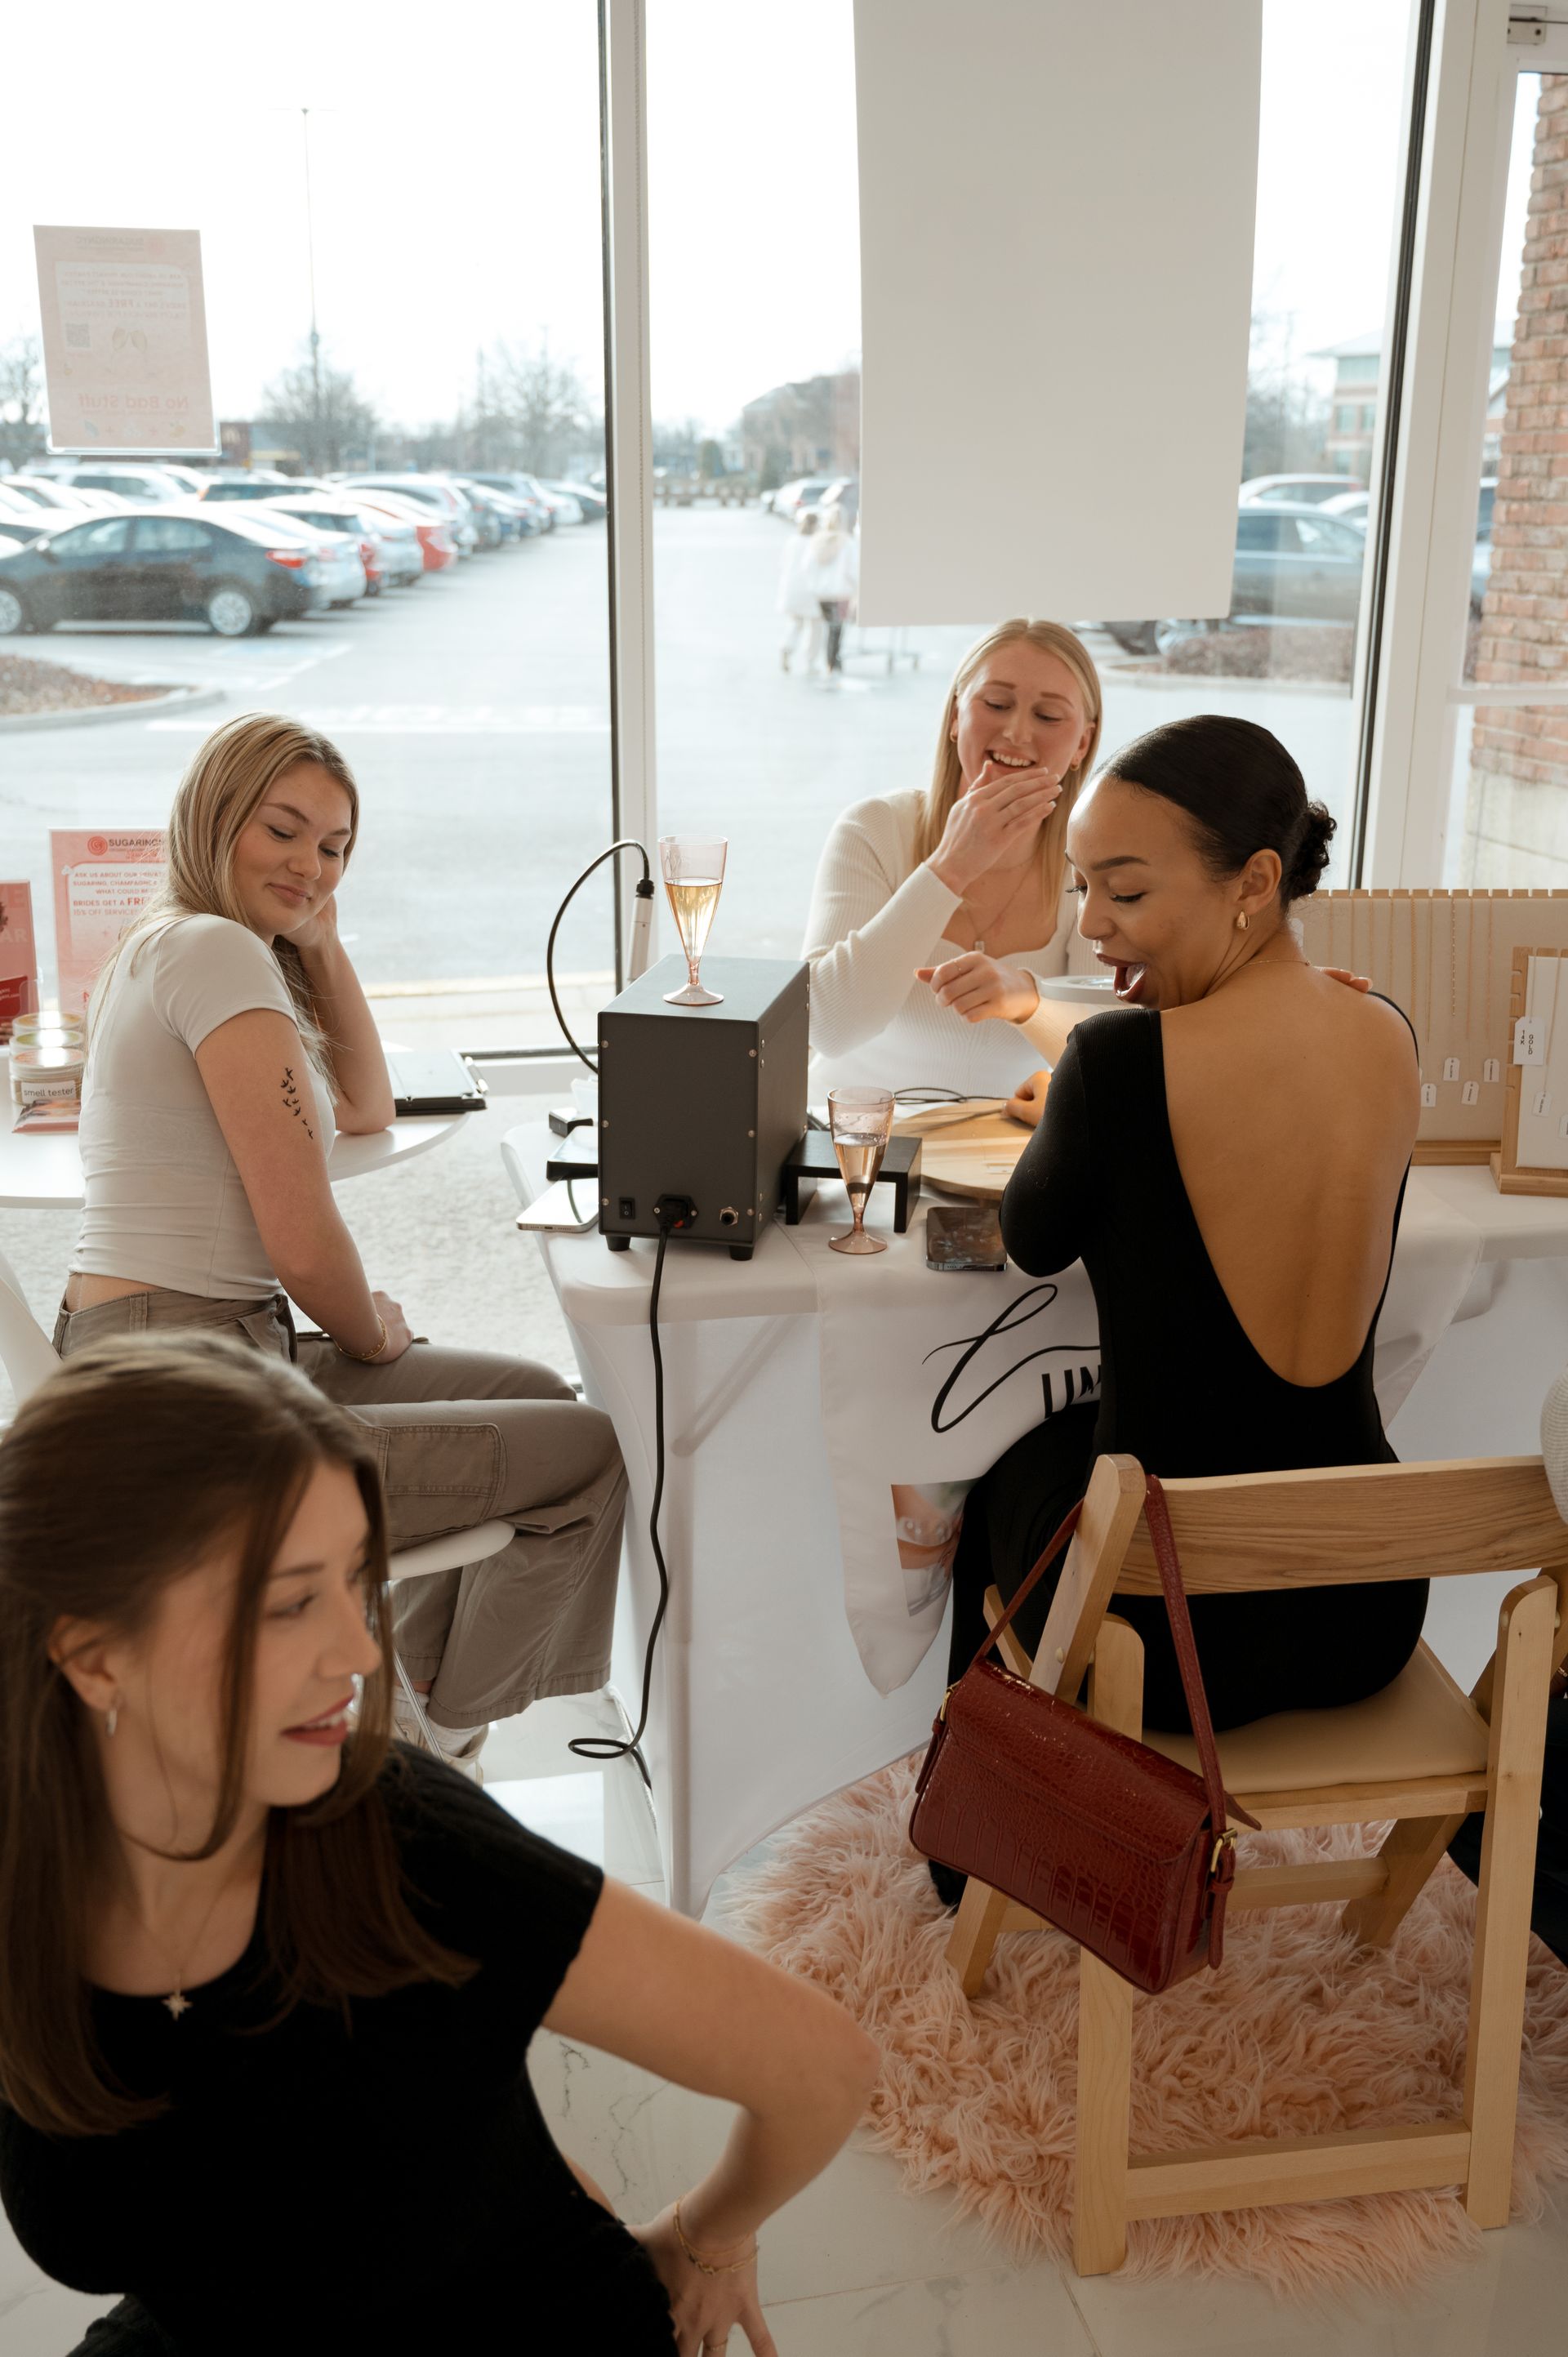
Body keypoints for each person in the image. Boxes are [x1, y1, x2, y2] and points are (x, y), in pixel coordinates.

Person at [0, 1337, 879, 2355]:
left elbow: (820, 2068)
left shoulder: (405, 1847)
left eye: (352, 1582)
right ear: (93, 1657)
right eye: (292, 1603)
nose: (362, 1650)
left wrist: (710, 2237)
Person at [57, 711, 626, 1780]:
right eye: (283, 830)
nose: (310, 864)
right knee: (589, 1453)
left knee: (537, 1386)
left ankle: (408, 1714)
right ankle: (436, 1750)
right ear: (216, 816)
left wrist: (318, 932)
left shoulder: (195, 946)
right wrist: (370, 1325)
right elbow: (302, 1240)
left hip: (203, 1353)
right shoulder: (213, 948)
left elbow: (364, 1103)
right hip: (185, 1389)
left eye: (335, 847)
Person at [933, 716, 1425, 1899]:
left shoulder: (1115, 1066)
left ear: (1255, 883)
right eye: (1084, 886)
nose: (1091, 923)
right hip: (1364, 1604)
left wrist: (1082, 1098)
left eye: (1126, 891)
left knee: (995, 1476)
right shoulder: (1388, 1030)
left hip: (1163, 1635)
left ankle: (978, 1856)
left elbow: (1032, 1240)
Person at [802, 618, 1102, 1097]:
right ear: (955, 716)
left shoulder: (1093, 862)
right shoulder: (874, 829)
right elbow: (829, 1029)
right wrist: (949, 868)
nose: (1018, 732)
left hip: (1004, 1156)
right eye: (996, 704)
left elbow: (1109, 1058)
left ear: (1081, 744)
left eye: (1048, 717)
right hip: (854, 1144)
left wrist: (1028, 998)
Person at [808, 506, 858, 674]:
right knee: (837, 628)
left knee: (828, 625)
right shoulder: (847, 543)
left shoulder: (817, 541)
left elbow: (807, 566)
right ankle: (833, 660)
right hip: (842, 592)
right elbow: (853, 569)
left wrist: (814, 585)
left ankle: (829, 659)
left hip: (822, 593)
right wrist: (856, 587)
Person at [777, 509, 827, 674]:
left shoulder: (793, 541)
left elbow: (783, 564)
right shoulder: (816, 542)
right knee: (815, 627)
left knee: (795, 623)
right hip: (811, 590)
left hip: (791, 588)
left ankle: (787, 647)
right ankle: (811, 661)